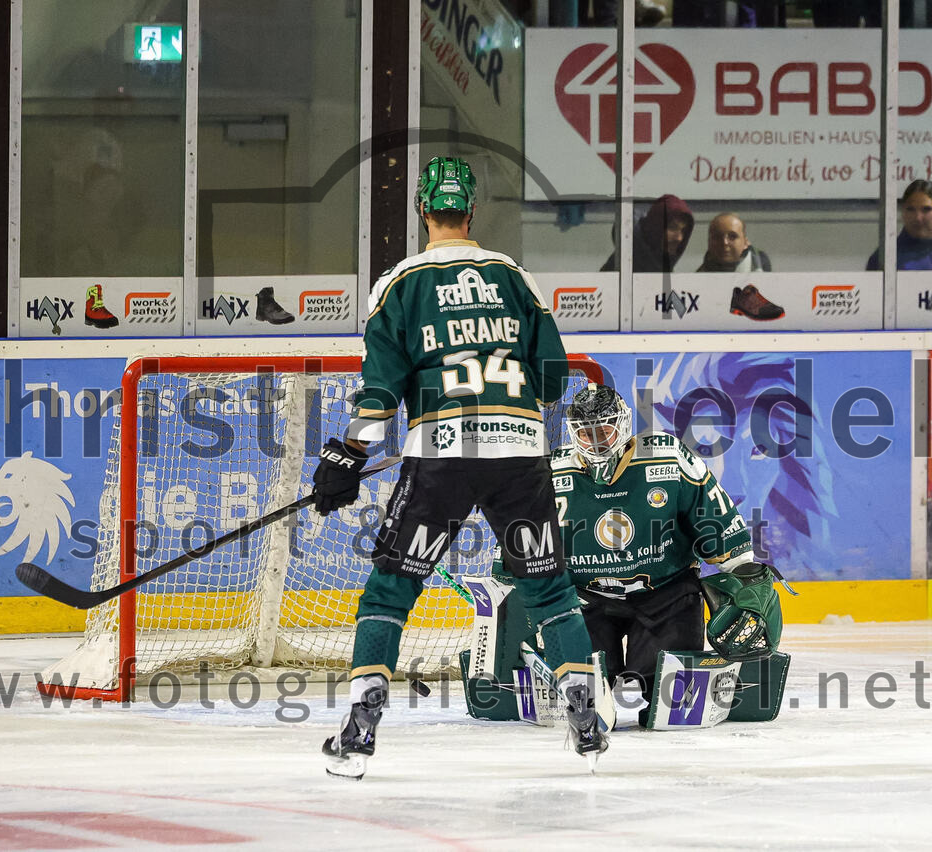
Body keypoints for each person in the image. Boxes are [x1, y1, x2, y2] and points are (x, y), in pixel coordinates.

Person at [312, 156, 601, 779]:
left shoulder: (398, 284)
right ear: (471, 210)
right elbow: (552, 380)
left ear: (424, 211)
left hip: (440, 457)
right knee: (549, 589)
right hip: (519, 453)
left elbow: (381, 390)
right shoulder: (515, 277)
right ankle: (583, 703)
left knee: (392, 587)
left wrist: (350, 451)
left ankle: (362, 728)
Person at [507, 383, 781, 721]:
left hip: (665, 595)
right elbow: (522, 546)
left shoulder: (669, 458)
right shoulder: (550, 473)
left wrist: (745, 582)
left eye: (603, 430)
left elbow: (721, 528)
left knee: (673, 709)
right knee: (583, 697)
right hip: (585, 601)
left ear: (622, 426)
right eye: (585, 433)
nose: (596, 441)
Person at [601, 194, 695, 273]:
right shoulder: (619, 273)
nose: (679, 238)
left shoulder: (660, 269)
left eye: (683, 231)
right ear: (655, 228)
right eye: (672, 227)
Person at [867, 179, 932, 271]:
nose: (918, 217)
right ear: (902, 212)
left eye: (926, 209)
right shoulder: (886, 258)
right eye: (910, 209)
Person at [698, 213, 772, 273]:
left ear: (746, 242)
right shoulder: (698, 279)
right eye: (717, 237)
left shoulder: (763, 272)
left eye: (732, 236)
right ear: (709, 242)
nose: (725, 243)